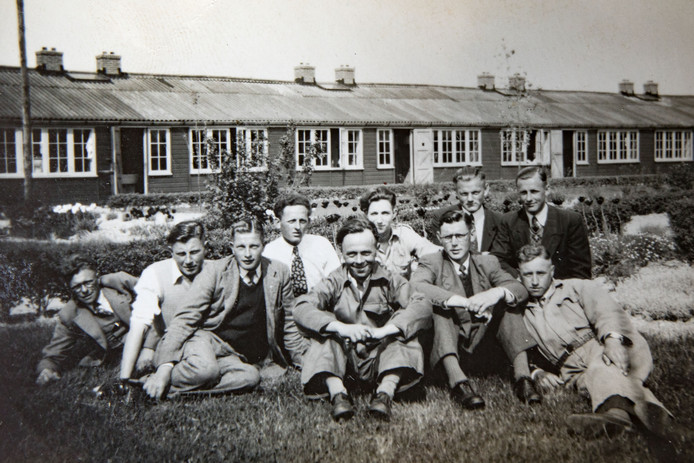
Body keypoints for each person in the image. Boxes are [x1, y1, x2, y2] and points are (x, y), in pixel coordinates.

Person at [517, 244, 674, 438]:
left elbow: (607, 312)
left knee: (601, 368)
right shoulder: (521, 311)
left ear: (552, 270)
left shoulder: (577, 288)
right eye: (527, 275)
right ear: (519, 275)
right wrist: (536, 372)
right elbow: (518, 349)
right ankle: (644, 417)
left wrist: (612, 341)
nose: (534, 281)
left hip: (603, 346)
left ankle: (616, 417)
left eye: (540, 273)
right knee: (590, 382)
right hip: (571, 370)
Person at [143, 218, 302, 400]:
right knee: (206, 370)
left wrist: (303, 363)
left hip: (233, 357)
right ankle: (158, 379)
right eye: (241, 247)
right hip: (208, 341)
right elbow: (184, 319)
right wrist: (163, 369)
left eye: (254, 246)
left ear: (263, 246)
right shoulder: (215, 272)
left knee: (250, 377)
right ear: (231, 247)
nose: (248, 254)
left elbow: (290, 324)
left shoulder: (278, 272)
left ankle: (173, 391)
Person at [294, 217, 432, 421]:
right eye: (352, 254)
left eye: (366, 253)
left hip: (381, 361)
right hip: (345, 364)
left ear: (376, 249)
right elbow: (301, 307)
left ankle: (384, 394)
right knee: (326, 331)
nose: (359, 261)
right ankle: (338, 395)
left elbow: (421, 303)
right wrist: (340, 328)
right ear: (342, 254)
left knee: (402, 329)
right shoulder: (333, 280)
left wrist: (385, 331)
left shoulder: (390, 278)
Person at [410, 210, 540, 409]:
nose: (454, 243)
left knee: (507, 302)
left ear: (471, 235)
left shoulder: (487, 262)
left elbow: (519, 288)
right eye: (448, 237)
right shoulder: (432, 262)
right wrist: (461, 301)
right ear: (439, 238)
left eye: (460, 236)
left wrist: (494, 294)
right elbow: (417, 286)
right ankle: (458, 383)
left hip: (485, 344)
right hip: (452, 344)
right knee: (441, 309)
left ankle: (523, 378)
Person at [118, 220, 211, 383]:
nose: (188, 261)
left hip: (206, 343)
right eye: (181, 254)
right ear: (171, 252)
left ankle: (155, 381)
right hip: (170, 345)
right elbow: (139, 323)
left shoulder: (215, 270)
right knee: (205, 373)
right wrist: (124, 377)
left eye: (194, 252)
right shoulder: (155, 273)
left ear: (206, 248)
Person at [36, 254, 137, 386]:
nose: (84, 291)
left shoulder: (119, 282)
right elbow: (53, 355)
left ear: (97, 276)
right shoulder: (70, 313)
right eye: (77, 287)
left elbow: (158, 295)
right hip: (118, 355)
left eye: (88, 283)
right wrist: (46, 371)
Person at [491, 166, 591, 279]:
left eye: (534, 191)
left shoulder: (570, 221)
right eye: (524, 193)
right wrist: (523, 279)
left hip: (560, 291)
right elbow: (498, 260)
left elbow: (581, 270)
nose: (528, 198)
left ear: (547, 189)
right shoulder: (508, 221)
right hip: (522, 289)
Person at [263, 194, 341, 296]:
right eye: (292, 221)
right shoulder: (269, 252)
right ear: (278, 223)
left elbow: (337, 282)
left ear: (309, 222)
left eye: (302, 221)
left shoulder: (321, 245)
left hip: (319, 306)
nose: (298, 227)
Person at [360, 186, 439, 279]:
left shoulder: (403, 233)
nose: (379, 220)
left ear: (394, 213)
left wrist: (419, 271)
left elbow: (434, 253)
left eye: (385, 213)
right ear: (366, 215)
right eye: (374, 214)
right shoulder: (359, 240)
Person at [434, 167, 501, 253]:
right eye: (464, 194)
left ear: (486, 189)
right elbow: (441, 255)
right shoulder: (440, 217)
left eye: (475, 193)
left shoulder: (499, 221)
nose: (470, 199)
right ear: (456, 192)